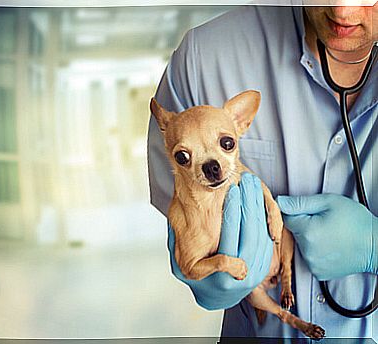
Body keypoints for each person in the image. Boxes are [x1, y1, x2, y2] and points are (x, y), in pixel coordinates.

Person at [147, 4, 378, 338]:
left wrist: (373, 248)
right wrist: (209, 273)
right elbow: (184, 221)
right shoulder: (204, 58)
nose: (343, 9)